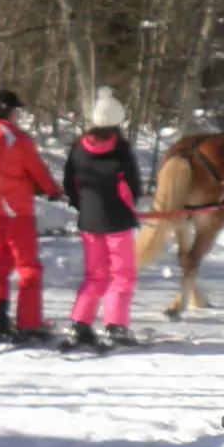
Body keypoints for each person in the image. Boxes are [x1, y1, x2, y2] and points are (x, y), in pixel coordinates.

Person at [0, 88, 62, 343]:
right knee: (28, 268)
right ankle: (29, 324)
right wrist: (52, 190)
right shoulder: (15, 138)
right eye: (16, 110)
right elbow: (36, 170)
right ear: (10, 111)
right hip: (15, 212)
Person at [63, 87, 144, 349]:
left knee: (94, 276)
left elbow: (70, 184)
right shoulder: (121, 150)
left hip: (89, 222)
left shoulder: (78, 149)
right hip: (118, 222)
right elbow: (134, 186)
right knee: (122, 274)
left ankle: (80, 323)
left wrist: (82, 205)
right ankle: (116, 325)